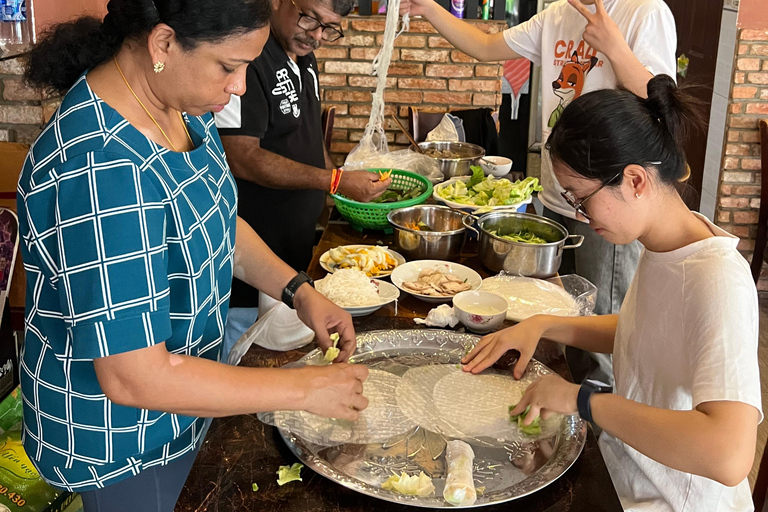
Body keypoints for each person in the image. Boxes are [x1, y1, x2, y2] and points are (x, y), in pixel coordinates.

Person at [18, 1, 368, 510]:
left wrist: (299, 290)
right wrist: (302, 389)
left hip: (189, 400)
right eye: (229, 66)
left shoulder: (174, 107)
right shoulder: (102, 167)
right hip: (126, 442)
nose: (241, 86)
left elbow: (219, 220)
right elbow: (134, 376)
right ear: (163, 44)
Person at [462, 75, 762, 512]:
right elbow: (647, 333)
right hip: (625, 472)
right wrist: (543, 324)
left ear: (635, 180)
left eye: (582, 199)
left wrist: (582, 398)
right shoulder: (666, 246)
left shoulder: (716, 278)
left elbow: (728, 454)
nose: (581, 217)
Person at [399, 0, 677, 384]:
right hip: (558, 196)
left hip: (611, 202)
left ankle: (599, 428)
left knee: (602, 336)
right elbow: (485, 46)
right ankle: (567, 407)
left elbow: (662, 113)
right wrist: (428, 8)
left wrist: (614, 48)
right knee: (561, 318)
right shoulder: (557, 14)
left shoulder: (644, 12)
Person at [214, 0, 391, 356]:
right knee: (246, 359)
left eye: (329, 28)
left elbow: (309, 139)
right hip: (250, 263)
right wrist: (334, 182)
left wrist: (339, 180)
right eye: (310, 18)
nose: (316, 35)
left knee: (290, 353)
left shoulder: (304, 58)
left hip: (293, 257)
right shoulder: (248, 57)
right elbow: (242, 157)